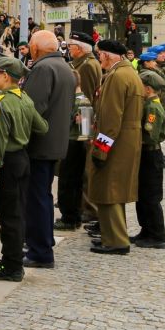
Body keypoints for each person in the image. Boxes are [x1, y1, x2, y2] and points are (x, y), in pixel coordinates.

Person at [0, 55, 47, 282]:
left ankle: (10, 266)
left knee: (7, 216)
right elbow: (43, 127)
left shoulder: (1, 103)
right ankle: (14, 260)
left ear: (6, 76)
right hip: (23, 159)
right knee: (18, 213)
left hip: (8, 162)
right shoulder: (25, 100)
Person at [21, 29, 75, 269]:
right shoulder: (64, 67)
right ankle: (43, 242)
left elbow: (31, 109)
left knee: (37, 198)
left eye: (32, 44)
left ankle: (40, 251)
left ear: (37, 48)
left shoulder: (43, 69)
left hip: (40, 144)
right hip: (55, 142)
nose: (31, 48)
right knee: (43, 195)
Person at [87, 39, 142, 255]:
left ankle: (116, 240)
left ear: (109, 55)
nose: (99, 58)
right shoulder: (128, 73)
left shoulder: (117, 77)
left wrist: (100, 150)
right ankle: (113, 237)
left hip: (116, 143)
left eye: (100, 54)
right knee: (114, 190)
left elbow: (110, 119)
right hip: (126, 140)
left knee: (109, 190)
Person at [57, 18, 100, 231]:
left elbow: (89, 96)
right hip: (79, 123)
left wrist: (84, 125)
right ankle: (78, 207)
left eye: (72, 46)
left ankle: (86, 209)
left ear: (81, 49)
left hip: (82, 124)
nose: (69, 49)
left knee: (79, 171)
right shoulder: (80, 63)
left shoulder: (88, 65)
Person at [133, 64, 165, 248]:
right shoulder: (147, 104)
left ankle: (157, 235)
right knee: (142, 196)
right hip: (145, 155)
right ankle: (146, 230)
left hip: (151, 155)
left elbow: (151, 134)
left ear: (147, 89)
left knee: (151, 197)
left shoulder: (153, 108)